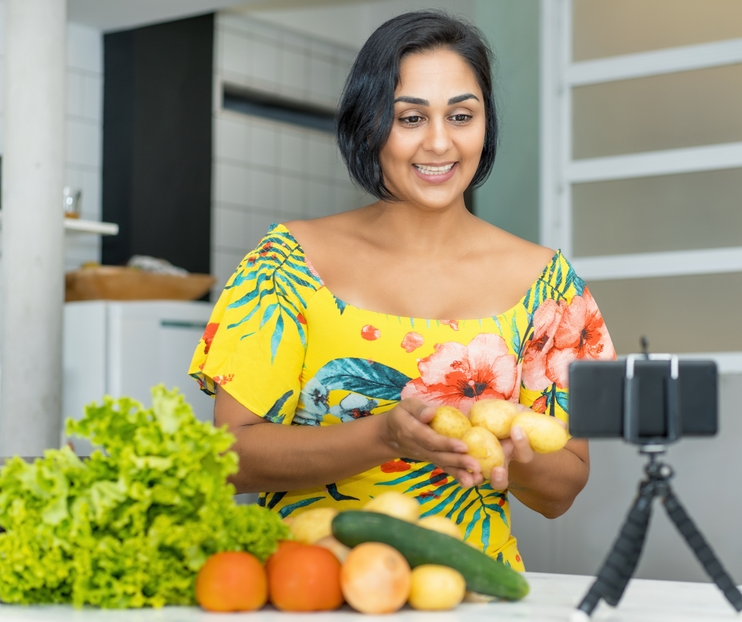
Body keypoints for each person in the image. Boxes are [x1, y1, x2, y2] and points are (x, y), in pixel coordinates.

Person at [190, 11, 615, 570]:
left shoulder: (550, 286)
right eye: (411, 118)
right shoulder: (286, 265)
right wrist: (384, 438)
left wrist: (512, 456)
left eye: (461, 115)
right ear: (369, 125)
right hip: (309, 594)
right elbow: (231, 457)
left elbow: (564, 491)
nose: (439, 143)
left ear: (485, 124)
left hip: (477, 607)